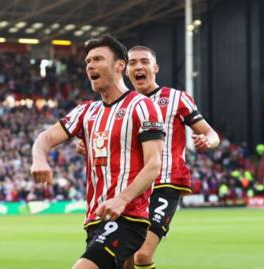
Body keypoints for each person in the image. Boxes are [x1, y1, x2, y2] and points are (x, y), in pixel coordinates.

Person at [78, 45, 220, 269]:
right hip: (130, 186)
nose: (138, 66)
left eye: (144, 61)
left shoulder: (176, 99)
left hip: (164, 183)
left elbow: (211, 133)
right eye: (133, 62)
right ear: (125, 70)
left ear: (155, 67)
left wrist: (208, 141)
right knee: (125, 260)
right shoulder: (117, 106)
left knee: (142, 255)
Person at [30, 35, 165, 269]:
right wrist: (39, 159)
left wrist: (122, 199)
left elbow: (154, 163)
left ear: (119, 66)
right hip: (95, 218)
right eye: (87, 61)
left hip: (128, 215)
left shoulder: (142, 106)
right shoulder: (87, 111)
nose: (90, 65)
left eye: (98, 59)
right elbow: (46, 137)